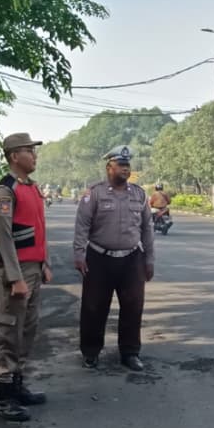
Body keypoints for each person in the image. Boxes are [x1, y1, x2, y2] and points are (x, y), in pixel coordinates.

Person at [73, 145, 155, 372]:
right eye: (121, 165)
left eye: (128, 165)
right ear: (109, 167)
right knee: (93, 307)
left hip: (132, 259)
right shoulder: (94, 193)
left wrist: (149, 260)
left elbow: (147, 229)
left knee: (133, 306)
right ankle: (91, 352)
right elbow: (82, 226)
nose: (126, 169)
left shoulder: (139, 194)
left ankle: (130, 352)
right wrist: (79, 254)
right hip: (99, 258)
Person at [0, 132, 52, 422]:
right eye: (29, 150)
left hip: (33, 268)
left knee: (27, 328)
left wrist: (45, 262)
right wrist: (15, 278)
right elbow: (3, 237)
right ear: (14, 156)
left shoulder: (33, 187)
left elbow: (39, 228)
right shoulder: (6, 191)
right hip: (14, 271)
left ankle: (17, 384)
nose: (34, 155)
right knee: (9, 330)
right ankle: (3, 396)